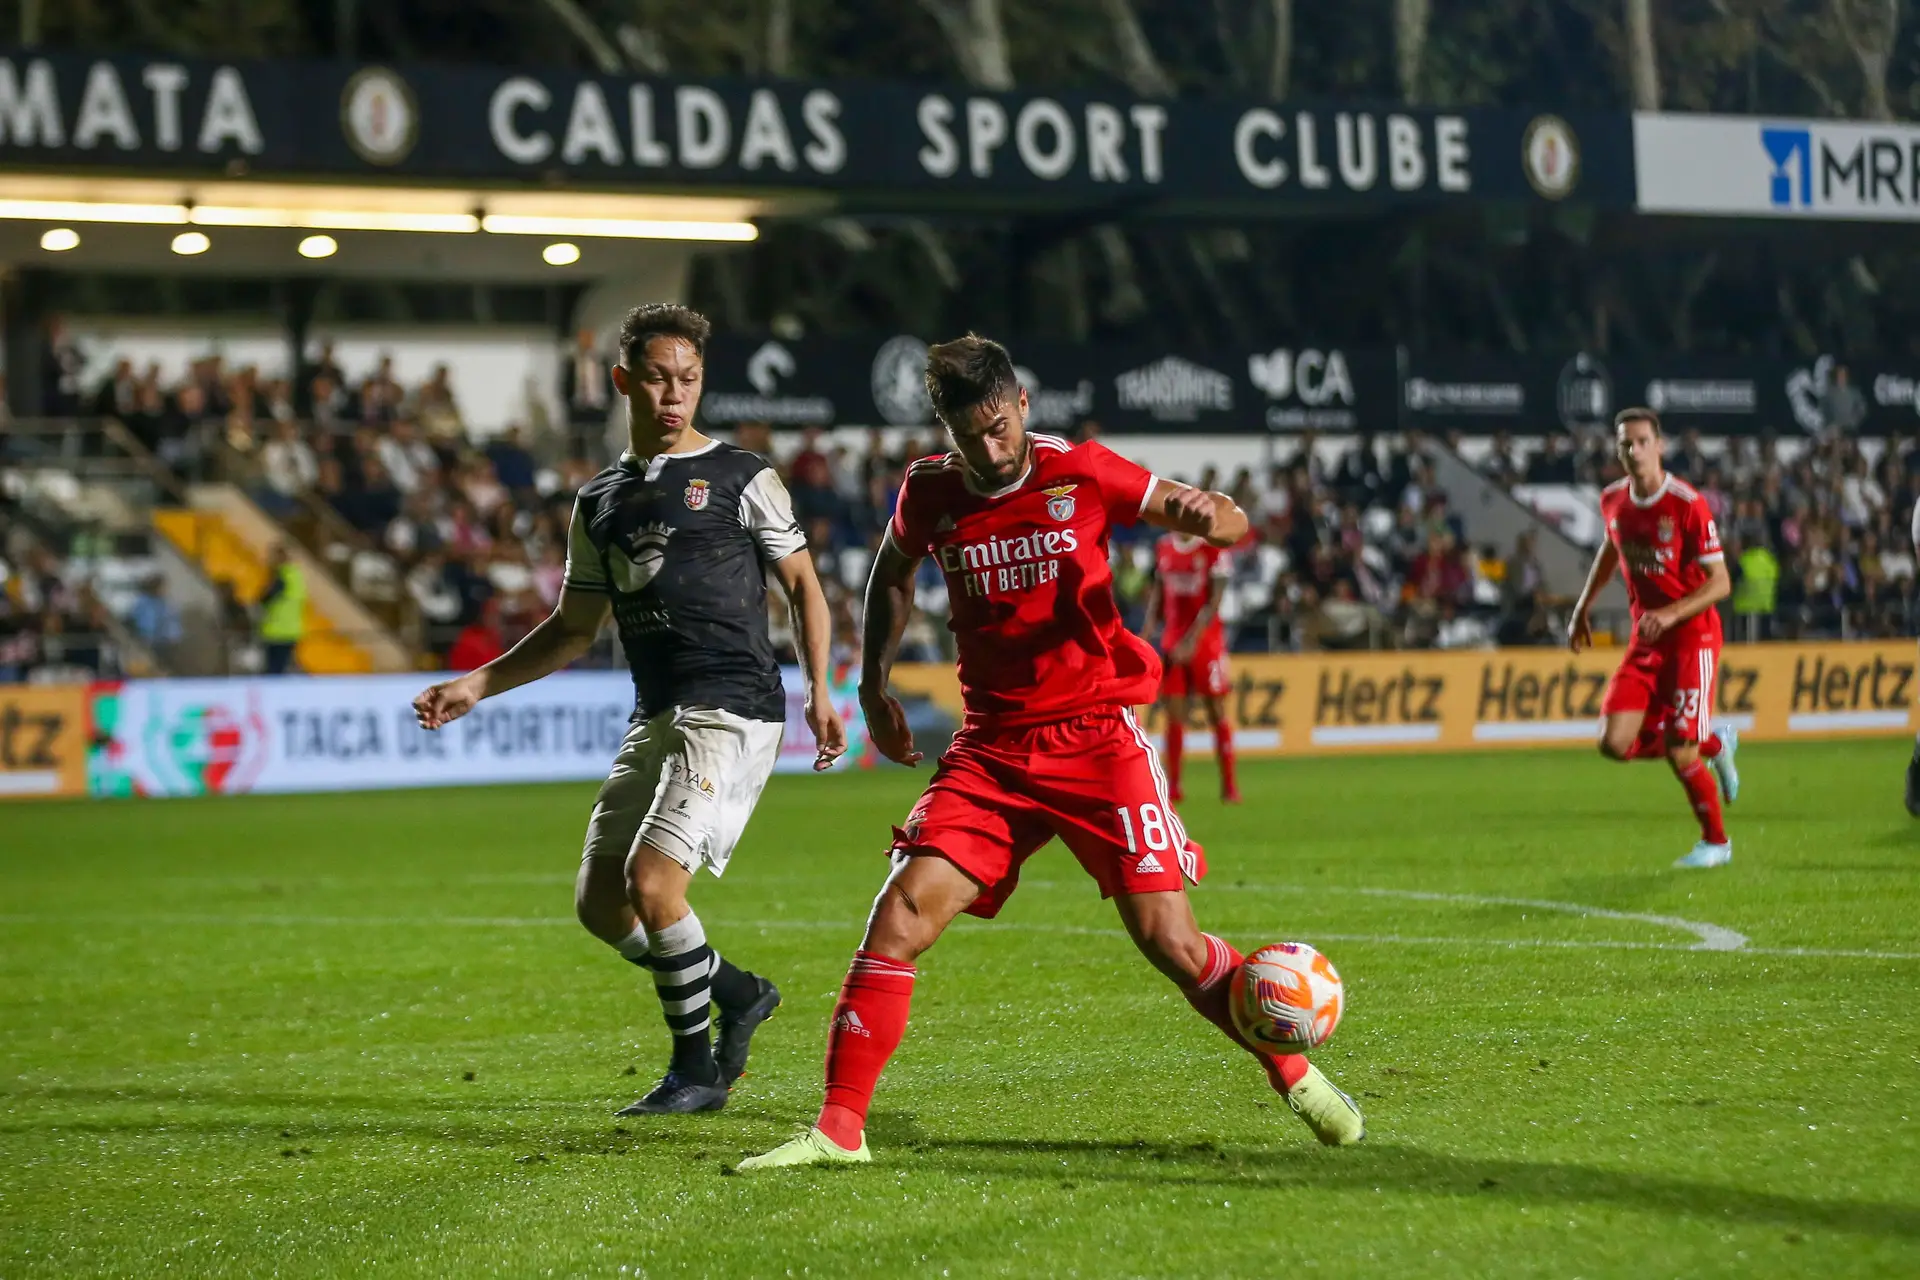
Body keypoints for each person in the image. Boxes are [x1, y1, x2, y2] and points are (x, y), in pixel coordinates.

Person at [736, 334, 1363, 1173]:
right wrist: (876, 686)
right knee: (898, 917)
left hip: (1098, 737)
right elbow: (893, 573)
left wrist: (1215, 518)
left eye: (999, 426)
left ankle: (1292, 1070)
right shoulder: (931, 490)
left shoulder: (1084, 470)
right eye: (970, 435)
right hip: (993, 748)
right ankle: (839, 1130)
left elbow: (1191, 506)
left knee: (1169, 942)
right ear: (946, 429)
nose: (989, 450)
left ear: (1021, 404)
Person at [412, 304, 847, 1116]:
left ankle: (696, 1073)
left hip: (732, 707)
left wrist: (823, 687)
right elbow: (573, 628)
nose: (674, 394)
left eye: (688, 379)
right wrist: (477, 683)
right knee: (599, 903)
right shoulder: (598, 502)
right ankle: (739, 990)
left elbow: (803, 587)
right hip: (656, 712)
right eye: (657, 378)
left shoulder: (741, 476)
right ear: (623, 381)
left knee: (655, 883)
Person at [1569, 408, 1739, 869]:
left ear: (1660, 446)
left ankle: (1717, 843)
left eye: (1643, 441)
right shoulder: (1612, 501)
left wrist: (1669, 614)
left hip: (1692, 639)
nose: (1634, 450)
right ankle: (1714, 743)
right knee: (1613, 742)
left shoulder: (1687, 503)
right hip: (1647, 641)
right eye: (1626, 443)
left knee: (1677, 751)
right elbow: (1612, 545)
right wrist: (1583, 605)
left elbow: (1721, 582)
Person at [1140, 530, 1239, 804]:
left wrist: (1192, 640)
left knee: (1216, 710)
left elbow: (1214, 602)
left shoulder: (1211, 549)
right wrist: (1146, 633)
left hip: (1206, 642)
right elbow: (1158, 598)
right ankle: (1174, 787)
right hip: (1173, 641)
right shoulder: (1163, 547)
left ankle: (1229, 785)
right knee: (1174, 714)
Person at [257, 544, 306, 675]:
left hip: (277, 631)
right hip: (292, 630)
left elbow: (265, 598)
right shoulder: (296, 575)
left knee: (273, 671)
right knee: (281, 669)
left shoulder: (281, 577)